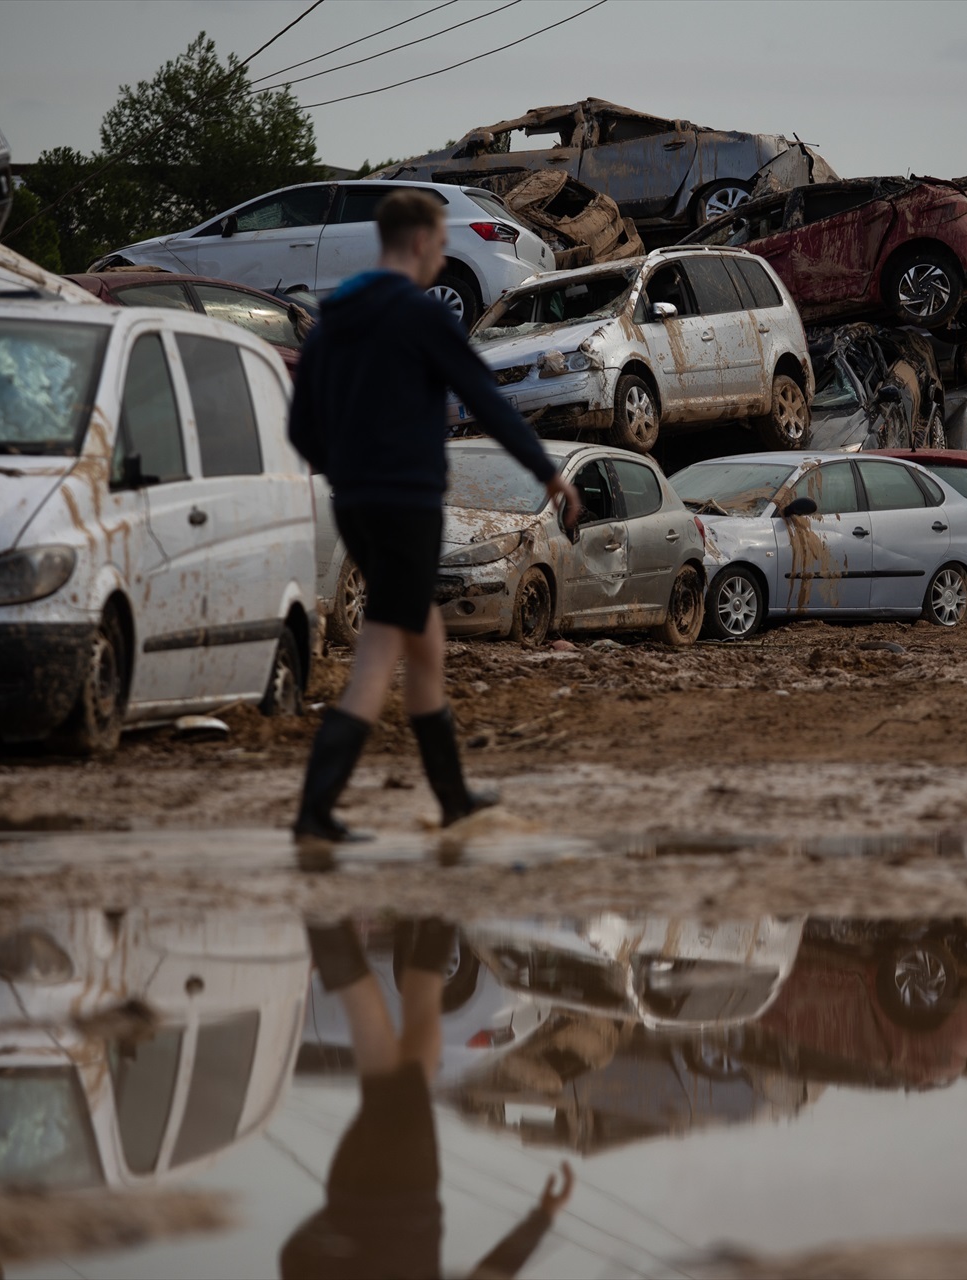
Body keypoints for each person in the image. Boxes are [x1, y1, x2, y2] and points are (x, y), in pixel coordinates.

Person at [288, 189, 581, 842]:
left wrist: (347, 469)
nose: (441, 256)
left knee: (427, 644)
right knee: (379, 656)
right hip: (409, 505)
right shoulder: (422, 318)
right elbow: (488, 401)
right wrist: (549, 472)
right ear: (420, 242)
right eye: (441, 243)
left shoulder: (333, 320)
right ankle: (315, 811)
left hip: (355, 504)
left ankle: (453, 801)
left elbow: (301, 427)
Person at [283, 919, 576, 1280]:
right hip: (350, 1194)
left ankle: (335, 919)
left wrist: (542, 1219)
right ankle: (429, 918)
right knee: (404, 1066)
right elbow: (293, 1262)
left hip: (403, 1197)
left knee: (398, 1052)